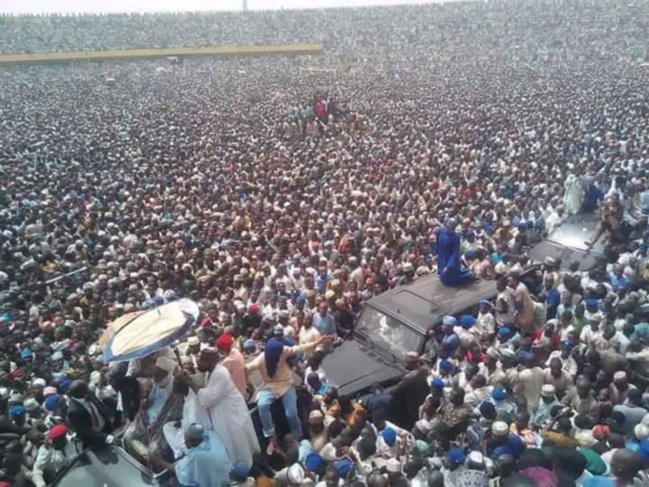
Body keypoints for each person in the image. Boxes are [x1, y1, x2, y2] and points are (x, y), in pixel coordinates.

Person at [245, 334, 333, 454]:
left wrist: (317, 342)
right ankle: (271, 435)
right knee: (262, 405)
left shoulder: (282, 351)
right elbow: (246, 369)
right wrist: (246, 381)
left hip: (286, 384)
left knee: (291, 413)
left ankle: (298, 436)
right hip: (269, 386)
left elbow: (299, 348)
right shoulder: (260, 360)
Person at [176, 348, 260, 468]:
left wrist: (190, 382)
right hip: (223, 413)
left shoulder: (221, 373)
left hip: (231, 414)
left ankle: (247, 468)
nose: (198, 363)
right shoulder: (210, 373)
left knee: (239, 442)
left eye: (201, 361)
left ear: (210, 362)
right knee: (230, 443)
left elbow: (208, 398)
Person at [147, 423, 231, 487]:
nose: (185, 443)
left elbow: (176, 469)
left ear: (196, 440)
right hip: (226, 476)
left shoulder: (197, 457)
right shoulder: (213, 437)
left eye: (187, 441)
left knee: (173, 481)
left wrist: (155, 459)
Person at [66, 380, 114, 449]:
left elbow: (99, 405)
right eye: (86, 388)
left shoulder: (89, 394)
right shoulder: (73, 411)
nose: (88, 389)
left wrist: (108, 416)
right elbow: (85, 431)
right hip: (96, 440)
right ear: (80, 392)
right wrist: (105, 437)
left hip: (107, 428)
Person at [437, 219, 473, 286]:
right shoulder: (442, 233)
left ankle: (469, 275)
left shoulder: (455, 238)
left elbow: (455, 253)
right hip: (443, 258)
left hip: (450, 261)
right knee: (443, 277)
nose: (448, 229)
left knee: (450, 280)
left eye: (451, 228)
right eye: (447, 227)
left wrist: (449, 266)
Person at [216, 333, 248, 399]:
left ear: (222, 349)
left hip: (236, 392)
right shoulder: (236, 351)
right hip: (243, 386)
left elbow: (221, 379)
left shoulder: (227, 362)